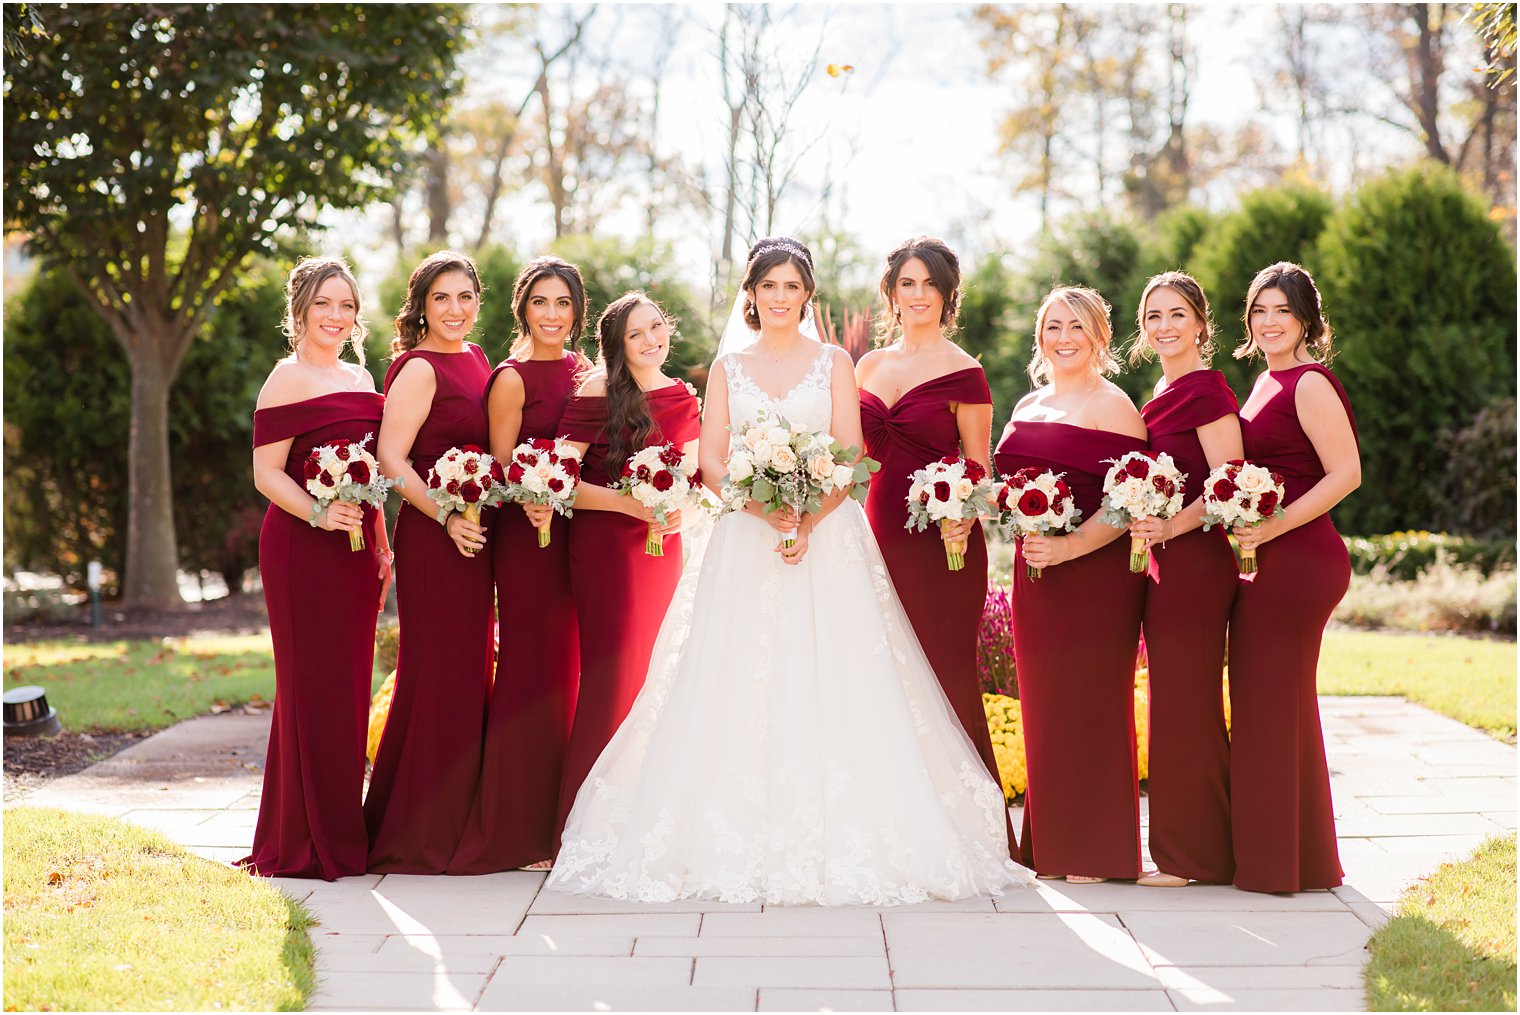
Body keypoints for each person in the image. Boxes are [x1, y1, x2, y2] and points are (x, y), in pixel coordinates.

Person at [547, 237, 1027, 905]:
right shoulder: (726, 369)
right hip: (746, 538)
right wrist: (758, 505)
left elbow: (853, 452)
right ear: (751, 293)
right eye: (767, 286)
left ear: (807, 294)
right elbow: (712, 459)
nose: (779, 297)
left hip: (827, 538)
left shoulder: (834, 361)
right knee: (736, 676)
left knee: (839, 675)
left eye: (791, 286)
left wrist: (806, 516)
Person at [856, 236, 1012, 855]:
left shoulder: (965, 372)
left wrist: (963, 514)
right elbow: (853, 459)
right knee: (883, 678)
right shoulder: (866, 367)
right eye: (906, 283)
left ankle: (972, 838)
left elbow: (980, 466)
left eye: (929, 285)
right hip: (873, 541)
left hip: (943, 545)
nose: (916, 295)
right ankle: (890, 833)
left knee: (944, 677)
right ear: (891, 291)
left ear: (947, 294)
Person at [239, 257, 389, 881]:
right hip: (302, 551)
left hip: (357, 555)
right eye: (324, 304)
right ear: (299, 310)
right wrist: (320, 516)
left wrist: (382, 544)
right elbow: (266, 472)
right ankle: (300, 838)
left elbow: (373, 475)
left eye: (346, 306)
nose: (336, 316)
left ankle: (342, 828)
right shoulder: (286, 377)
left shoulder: (362, 375)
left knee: (351, 688)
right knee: (309, 687)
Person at [992, 285, 1147, 884]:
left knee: (1091, 704)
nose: (1063, 338)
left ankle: (1095, 851)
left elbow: (1131, 496)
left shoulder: (1114, 406)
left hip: (1093, 576)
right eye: (1053, 326)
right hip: (1035, 576)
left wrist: (1071, 545)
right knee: (1046, 707)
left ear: (1098, 337)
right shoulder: (1028, 404)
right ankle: (1051, 846)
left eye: (1076, 327)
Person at [449, 257, 588, 875]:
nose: (553, 315)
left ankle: (568, 823)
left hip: (581, 533)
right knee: (533, 671)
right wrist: (533, 497)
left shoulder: (588, 372)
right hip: (528, 535)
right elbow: (501, 463)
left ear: (578, 312)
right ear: (522, 310)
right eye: (541, 303)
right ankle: (517, 829)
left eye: (563, 304)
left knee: (574, 671)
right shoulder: (509, 377)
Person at [1227, 262, 1359, 894]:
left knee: (1272, 701)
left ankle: (1279, 866)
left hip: (1302, 559)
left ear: (1306, 320)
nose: (1269, 322)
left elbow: (1345, 474)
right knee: (1270, 702)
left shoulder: (1308, 383)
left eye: (1282, 310)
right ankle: (1296, 858)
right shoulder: (1261, 382)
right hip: (1268, 557)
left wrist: (1270, 528)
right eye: (1259, 310)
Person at [552, 291, 702, 844]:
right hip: (606, 547)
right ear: (616, 344)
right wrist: (627, 504)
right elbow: (561, 480)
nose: (650, 341)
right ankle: (581, 825)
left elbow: (691, 473)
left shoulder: (682, 395)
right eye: (635, 333)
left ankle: (642, 821)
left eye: (656, 328)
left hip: (663, 545)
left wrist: (674, 512)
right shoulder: (596, 390)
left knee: (657, 674)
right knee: (613, 675)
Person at [365, 251, 495, 874]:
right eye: (442, 298)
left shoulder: (476, 359)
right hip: (433, 534)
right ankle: (415, 832)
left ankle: (457, 820)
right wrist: (445, 515)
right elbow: (392, 458)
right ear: (421, 305)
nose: (455, 309)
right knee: (435, 673)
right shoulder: (417, 368)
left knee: (468, 674)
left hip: (473, 532)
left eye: (465, 296)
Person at [1126, 272, 1243, 888]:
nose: (1165, 327)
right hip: (1167, 560)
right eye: (1153, 317)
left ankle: (1192, 857)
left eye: (1177, 315)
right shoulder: (1159, 389)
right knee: (1175, 697)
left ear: (1201, 322)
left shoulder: (1207, 391)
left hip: (1197, 560)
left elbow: (1229, 483)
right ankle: (1197, 847)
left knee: (1188, 699)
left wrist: (1170, 530)